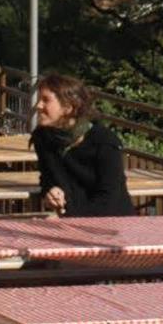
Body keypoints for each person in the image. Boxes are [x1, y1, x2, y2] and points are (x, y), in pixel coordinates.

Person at [29, 72, 133, 217]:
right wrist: (51, 191)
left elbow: (109, 200)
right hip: (71, 224)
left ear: (68, 108)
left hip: (114, 226)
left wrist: (71, 221)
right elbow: (46, 177)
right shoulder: (43, 138)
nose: (38, 105)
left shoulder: (105, 142)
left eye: (45, 100)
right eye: (39, 99)